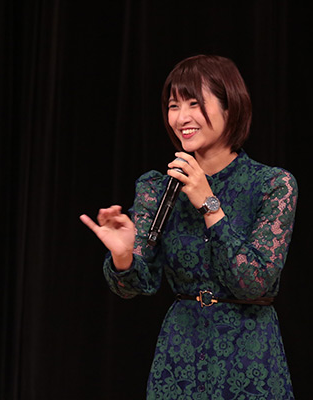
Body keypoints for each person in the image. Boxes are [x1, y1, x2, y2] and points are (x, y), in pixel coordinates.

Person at [80, 54, 298, 399]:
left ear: (230, 106)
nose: (182, 118)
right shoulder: (156, 187)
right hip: (180, 355)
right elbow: (135, 285)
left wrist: (209, 204)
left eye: (194, 104)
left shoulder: (272, 184)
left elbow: (254, 282)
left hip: (249, 357)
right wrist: (123, 256)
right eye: (174, 105)